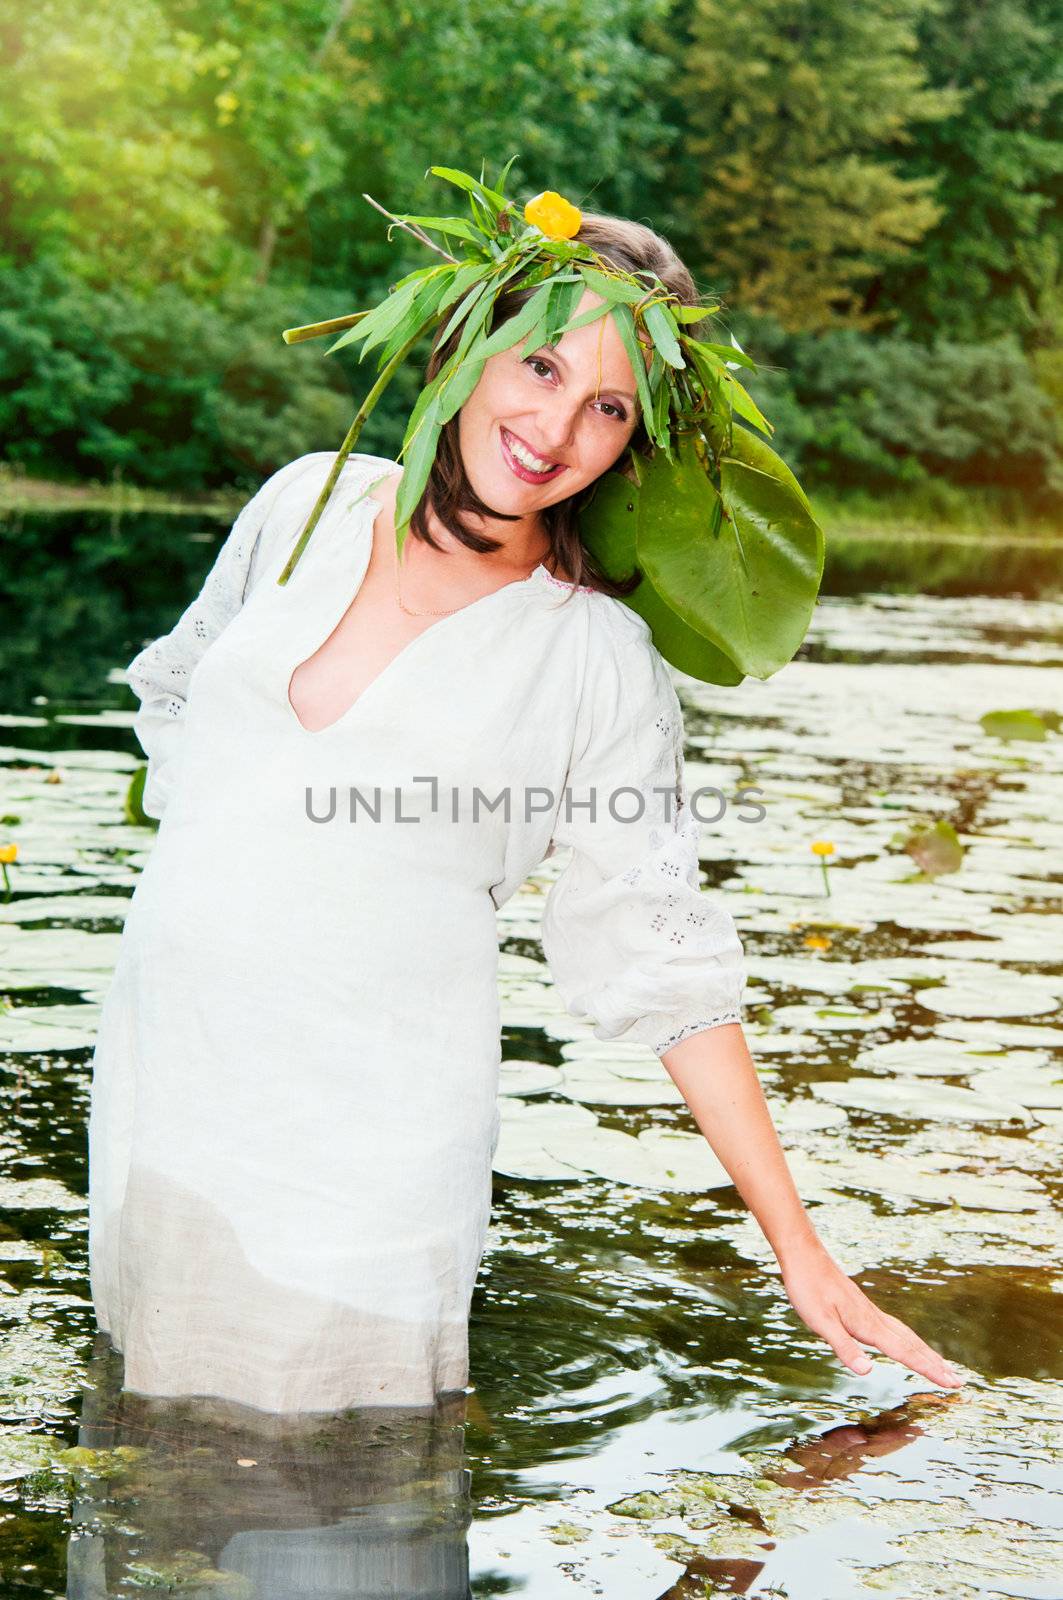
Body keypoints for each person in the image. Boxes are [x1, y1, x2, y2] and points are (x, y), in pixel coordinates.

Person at [88, 208, 963, 1416]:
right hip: (173, 1087)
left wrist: (798, 1245)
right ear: (463, 345)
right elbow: (184, 698)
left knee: (337, 1505)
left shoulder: (592, 654)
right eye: (543, 364)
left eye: (608, 406)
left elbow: (661, 954)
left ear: (637, 439)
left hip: (367, 1154)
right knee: (143, 1485)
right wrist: (235, 906)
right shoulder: (308, 504)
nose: (555, 428)